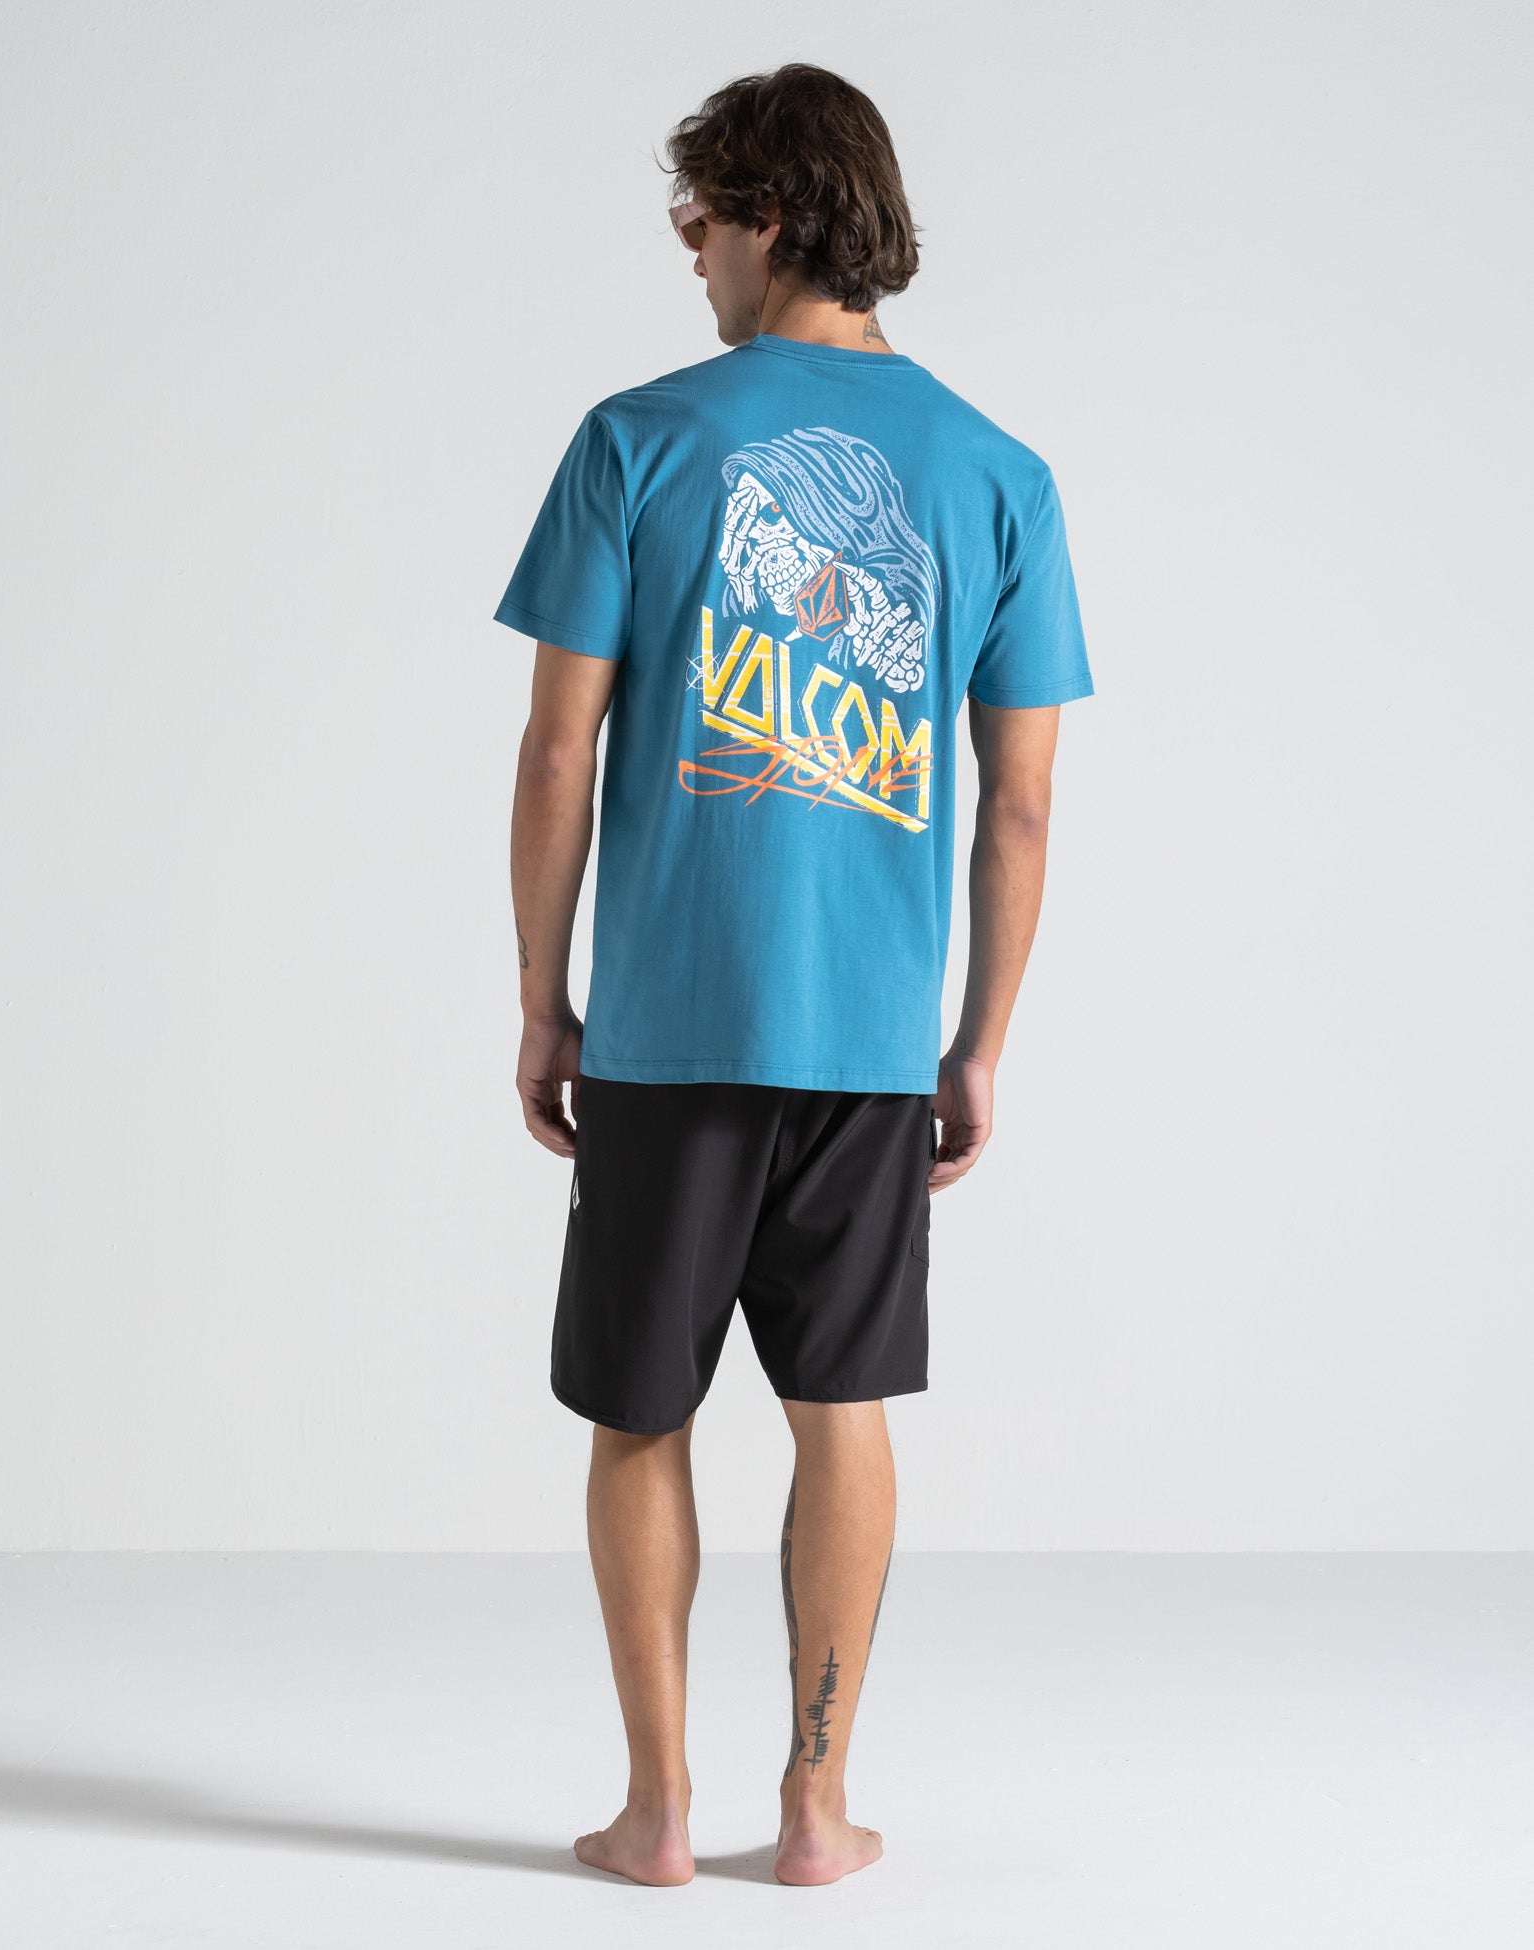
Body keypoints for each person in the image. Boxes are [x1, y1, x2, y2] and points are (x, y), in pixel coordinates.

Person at [495, 62, 1093, 1889]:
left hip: (668, 1030)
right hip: (869, 1040)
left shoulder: (637, 440)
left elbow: (559, 750)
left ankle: (660, 1813)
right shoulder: (999, 473)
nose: (689, 250)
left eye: (701, 216)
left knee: (640, 1413)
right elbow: (1019, 805)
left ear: (771, 212)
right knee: (846, 1414)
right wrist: (977, 1043)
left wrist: (541, 998)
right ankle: (818, 1813)